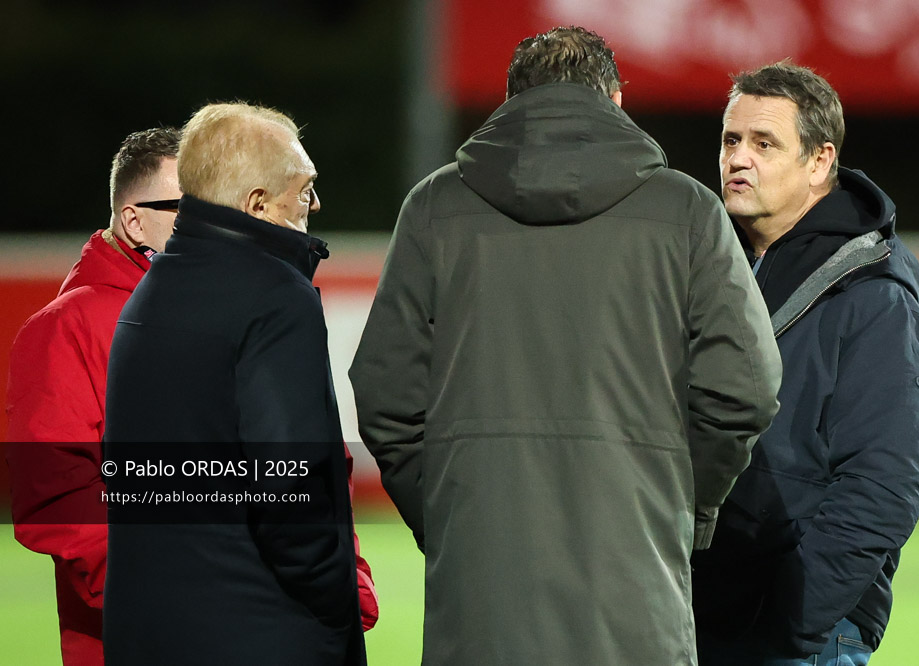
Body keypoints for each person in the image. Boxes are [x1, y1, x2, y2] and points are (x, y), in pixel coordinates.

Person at [350, 26, 782, 665]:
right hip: (636, 588)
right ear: (613, 97)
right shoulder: (686, 209)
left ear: (510, 102)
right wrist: (677, 501)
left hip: (481, 597)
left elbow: (386, 396)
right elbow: (745, 385)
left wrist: (451, 509)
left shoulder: (433, 208)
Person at [690, 61, 919, 665]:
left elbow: (881, 487)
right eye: (730, 140)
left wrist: (790, 622)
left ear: (820, 162)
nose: (737, 159)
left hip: (800, 638)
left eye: (764, 143)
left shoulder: (874, 299)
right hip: (700, 620)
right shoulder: (706, 272)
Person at [102, 103, 366, 665]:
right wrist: (334, 598)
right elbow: (289, 492)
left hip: (156, 632)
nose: (314, 204)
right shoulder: (275, 296)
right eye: (304, 188)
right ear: (257, 204)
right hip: (259, 632)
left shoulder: (150, 291)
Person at [5, 127, 181, 666]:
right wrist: (167, 597)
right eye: (187, 208)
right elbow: (55, 495)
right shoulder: (66, 326)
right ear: (134, 220)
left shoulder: (217, 311)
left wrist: (345, 585)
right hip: (141, 637)